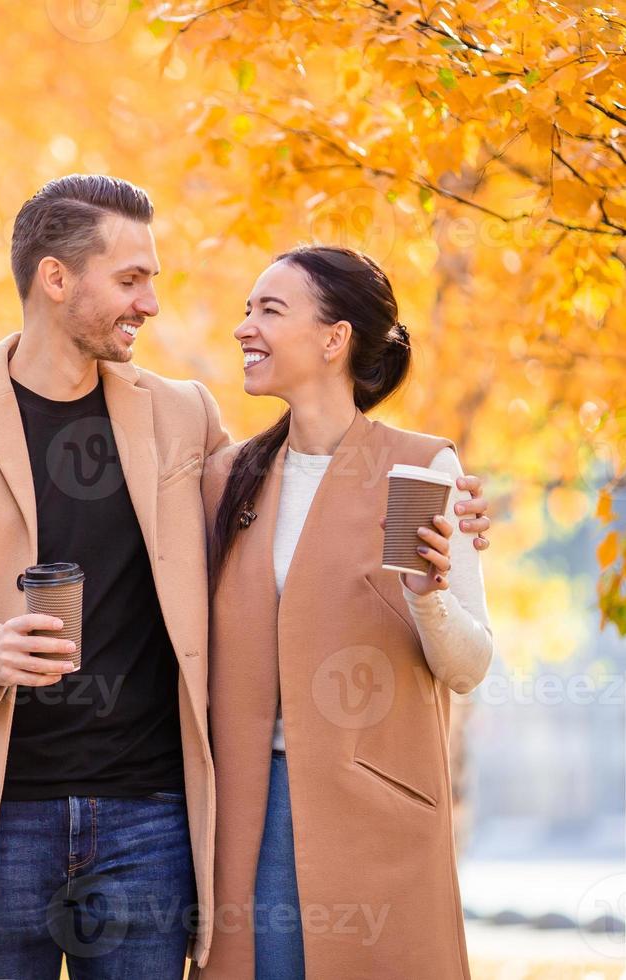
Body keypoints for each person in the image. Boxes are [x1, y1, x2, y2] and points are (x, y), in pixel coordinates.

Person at [0, 177, 491, 979]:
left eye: (154, 280)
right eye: (131, 279)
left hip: (151, 822)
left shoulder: (181, 417)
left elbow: (309, 510)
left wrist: (447, 521)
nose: (151, 304)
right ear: (57, 279)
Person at [198, 245, 494, 979]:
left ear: (334, 340)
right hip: (248, 818)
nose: (244, 328)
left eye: (269, 310)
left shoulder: (423, 467)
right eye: (245, 309)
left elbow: (469, 665)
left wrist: (428, 598)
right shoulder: (224, 480)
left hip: (378, 824)